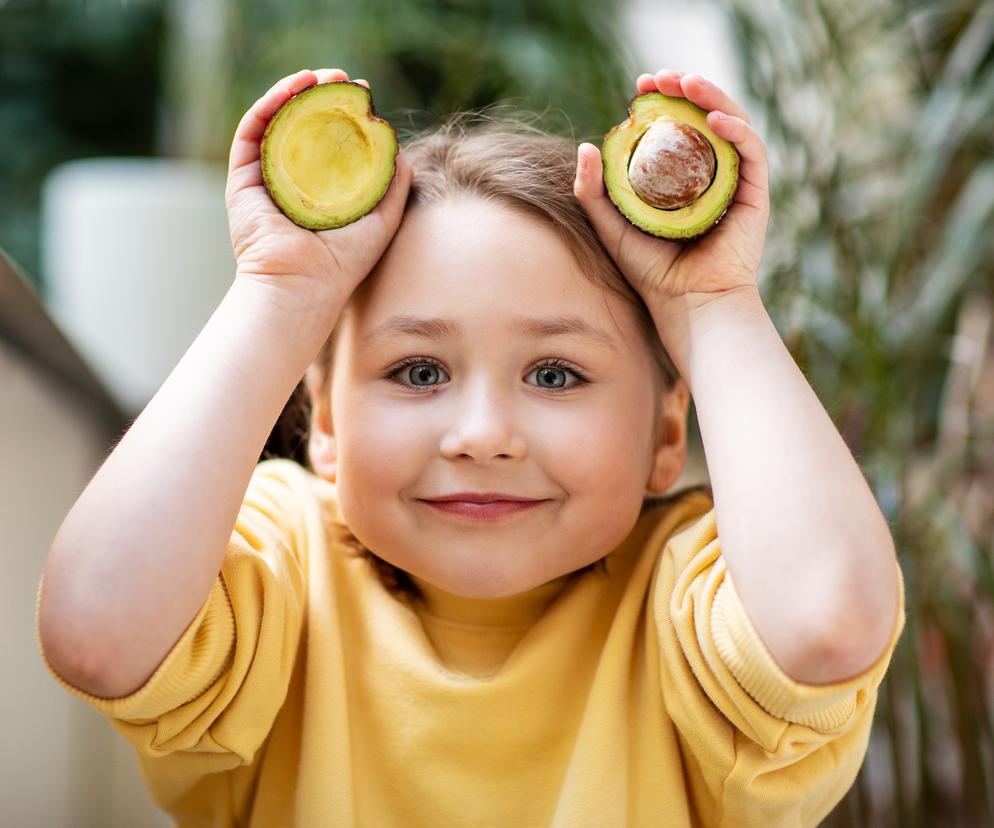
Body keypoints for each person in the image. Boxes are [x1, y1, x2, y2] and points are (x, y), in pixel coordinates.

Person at [35, 67, 905, 827]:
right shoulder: (283, 569)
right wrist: (278, 292)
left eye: (557, 375)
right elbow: (97, 632)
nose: (483, 436)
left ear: (665, 432)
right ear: (326, 425)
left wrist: (713, 305)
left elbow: (828, 623)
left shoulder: (692, 605)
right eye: (418, 371)